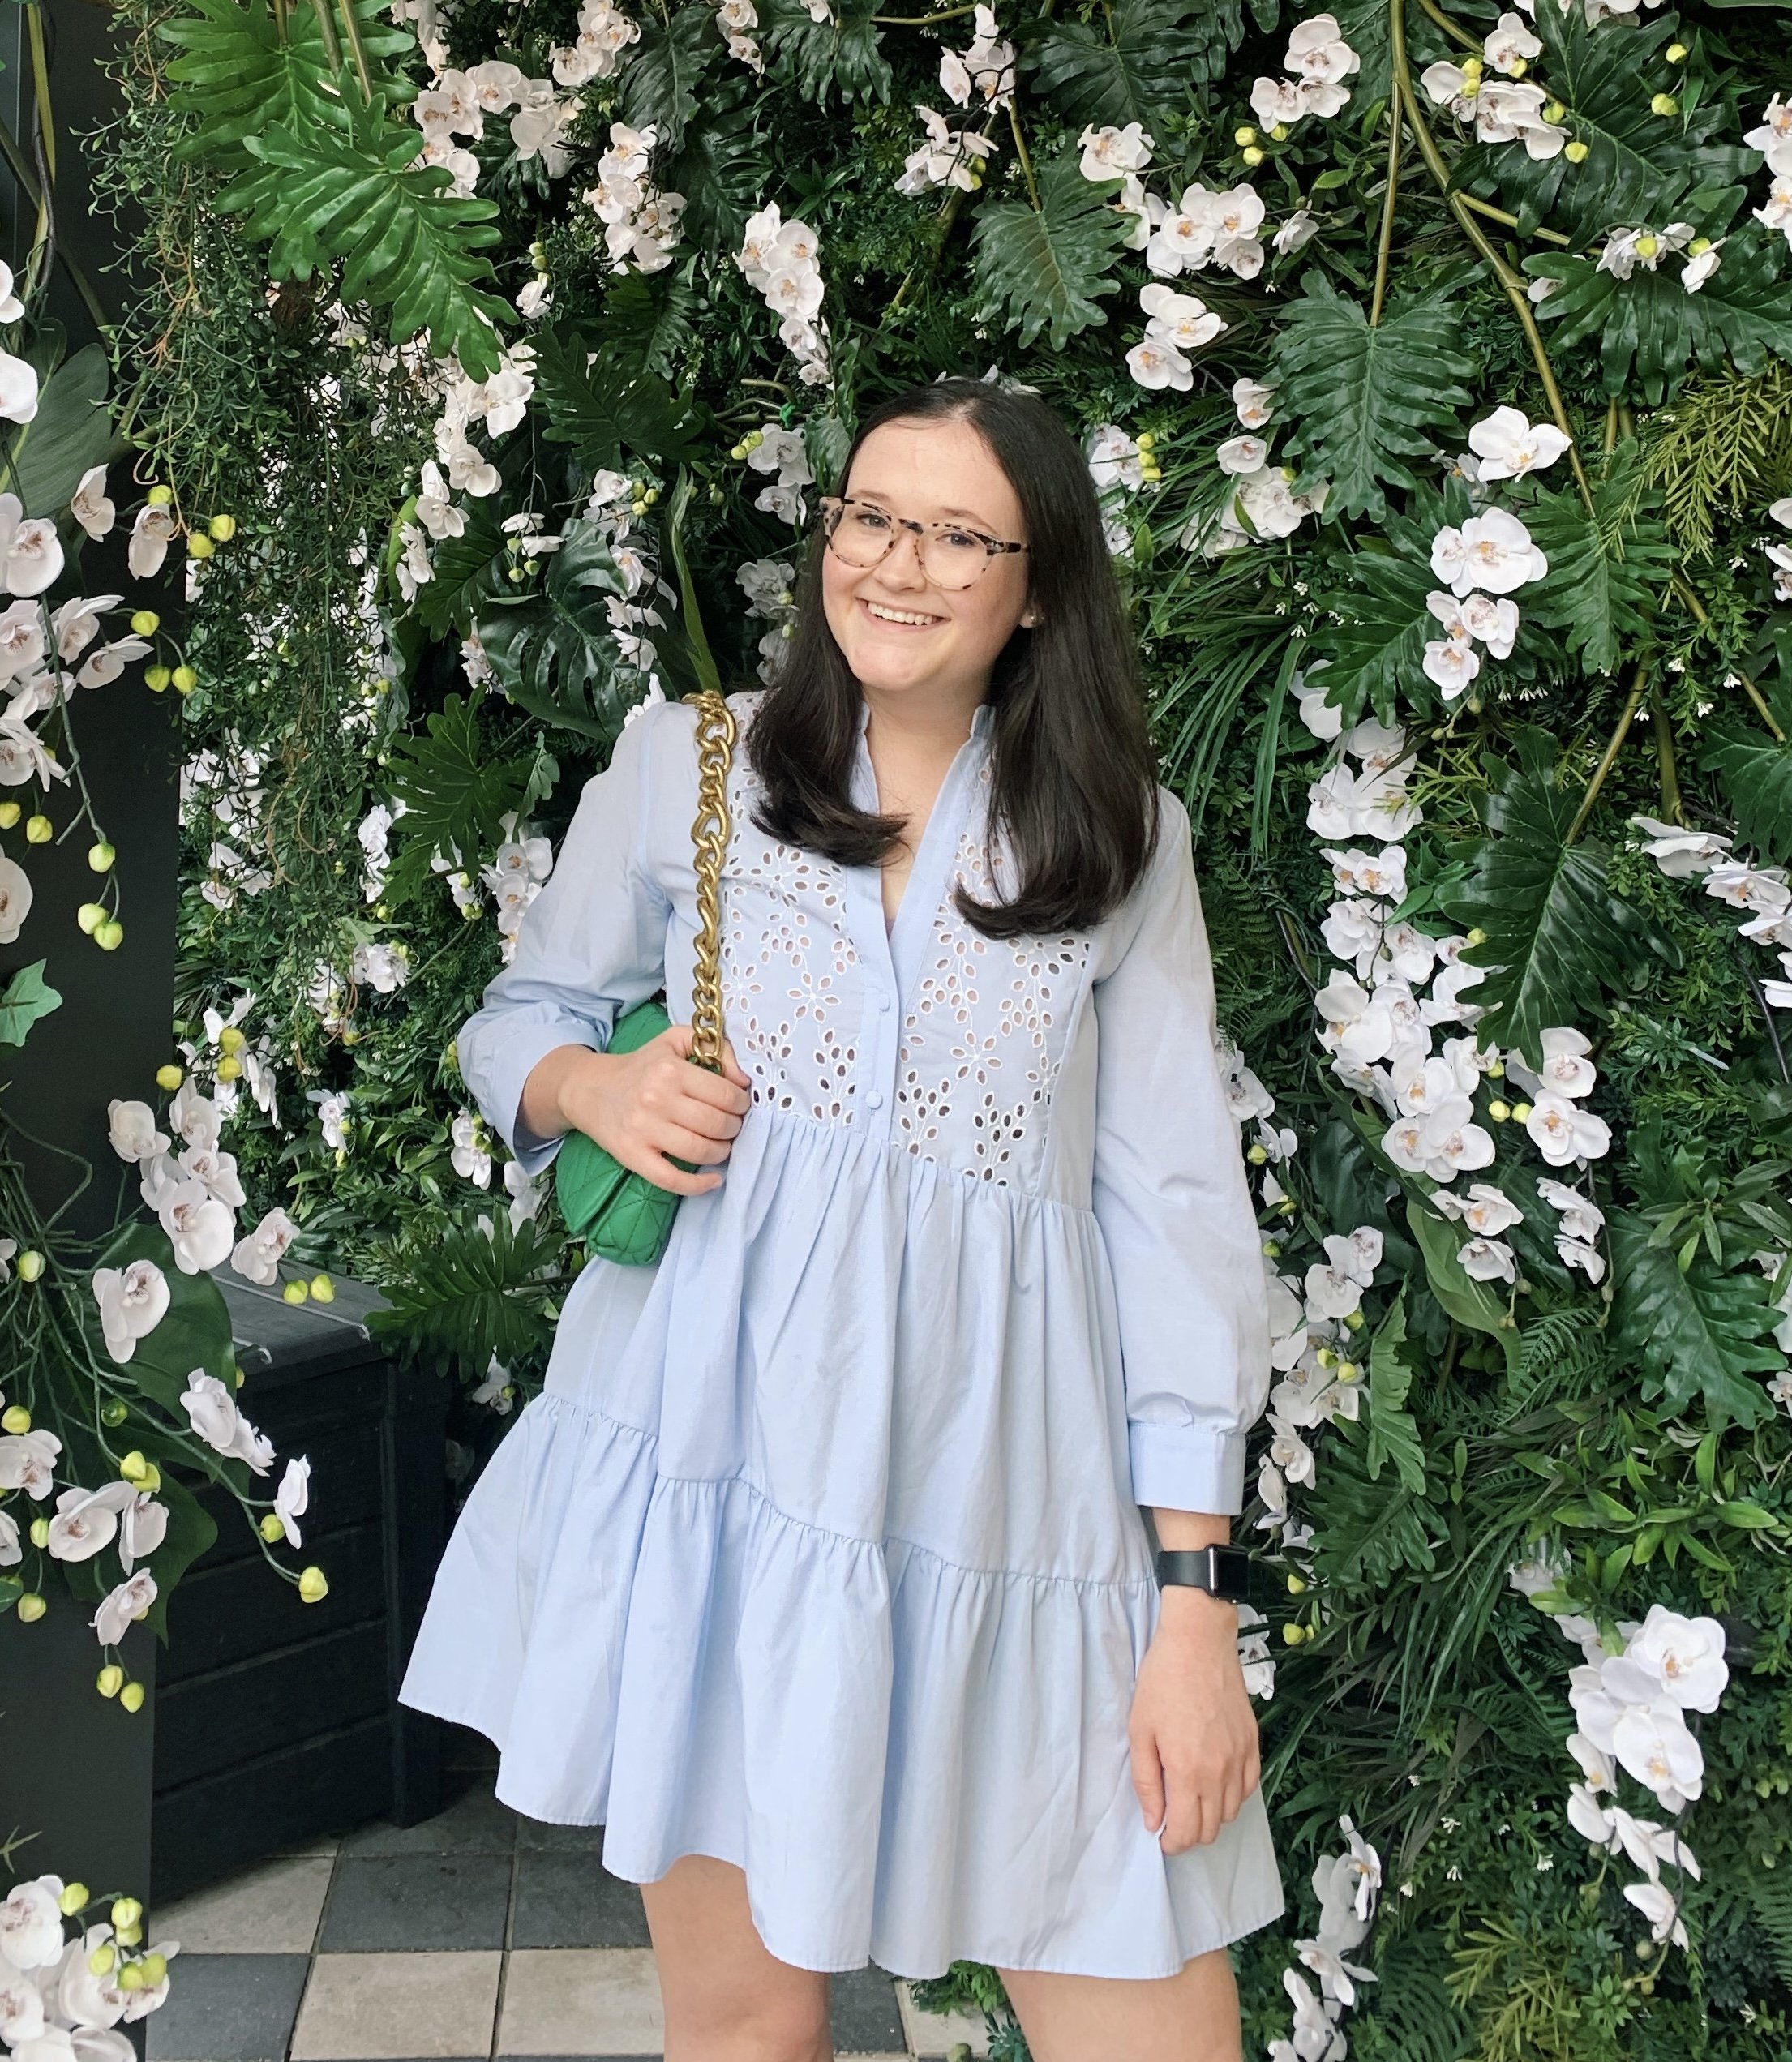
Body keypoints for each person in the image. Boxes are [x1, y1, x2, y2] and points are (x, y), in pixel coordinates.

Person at [399, 377, 1284, 2062]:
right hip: (715, 1481)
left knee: (1162, 2034)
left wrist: (1189, 1606)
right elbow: (518, 1017)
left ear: (1037, 587)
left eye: (960, 533)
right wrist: (590, 1093)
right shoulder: (690, 763)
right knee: (744, 2037)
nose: (899, 562)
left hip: (1008, 1518)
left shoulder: (1117, 839)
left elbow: (1172, 1214)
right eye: (873, 515)